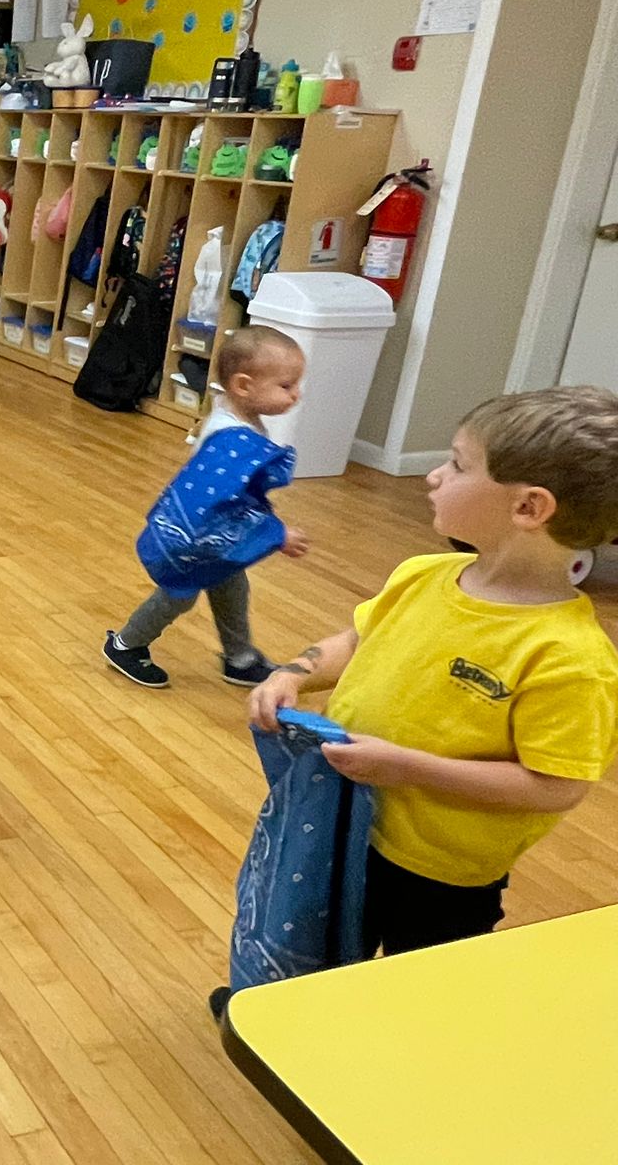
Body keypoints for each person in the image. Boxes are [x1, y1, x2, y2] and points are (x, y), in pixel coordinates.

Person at [247, 385, 618, 965]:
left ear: (529, 508)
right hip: (347, 821)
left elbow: (556, 785)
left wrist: (404, 766)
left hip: (441, 877)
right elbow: (360, 638)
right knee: (318, 954)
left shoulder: (571, 658)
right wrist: (294, 673)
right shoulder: (424, 573)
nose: (434, 476)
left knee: (410, 989)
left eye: (458, 464)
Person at [103, 326, 307, 690]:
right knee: (178, 595)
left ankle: (240, 659)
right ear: (243, 385)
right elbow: (227, 504)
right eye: (286, 386)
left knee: (232, 585)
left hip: (214, 538)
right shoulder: (231, 438)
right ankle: (126, 645)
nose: (296, 395)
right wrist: (277, 534)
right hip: (196, 538)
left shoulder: (238, 420)